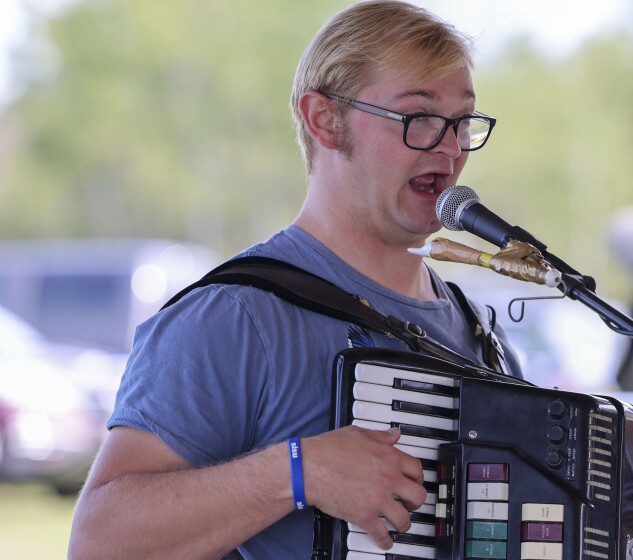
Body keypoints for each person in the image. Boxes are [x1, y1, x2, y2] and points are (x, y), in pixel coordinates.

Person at [68, 1, 522, 558]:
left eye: (462, 122)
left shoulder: (480, 333)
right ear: (324, 119)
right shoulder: (235, 316)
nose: (450, 149)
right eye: (419, 117)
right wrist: (298, 471)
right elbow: (99, 542)